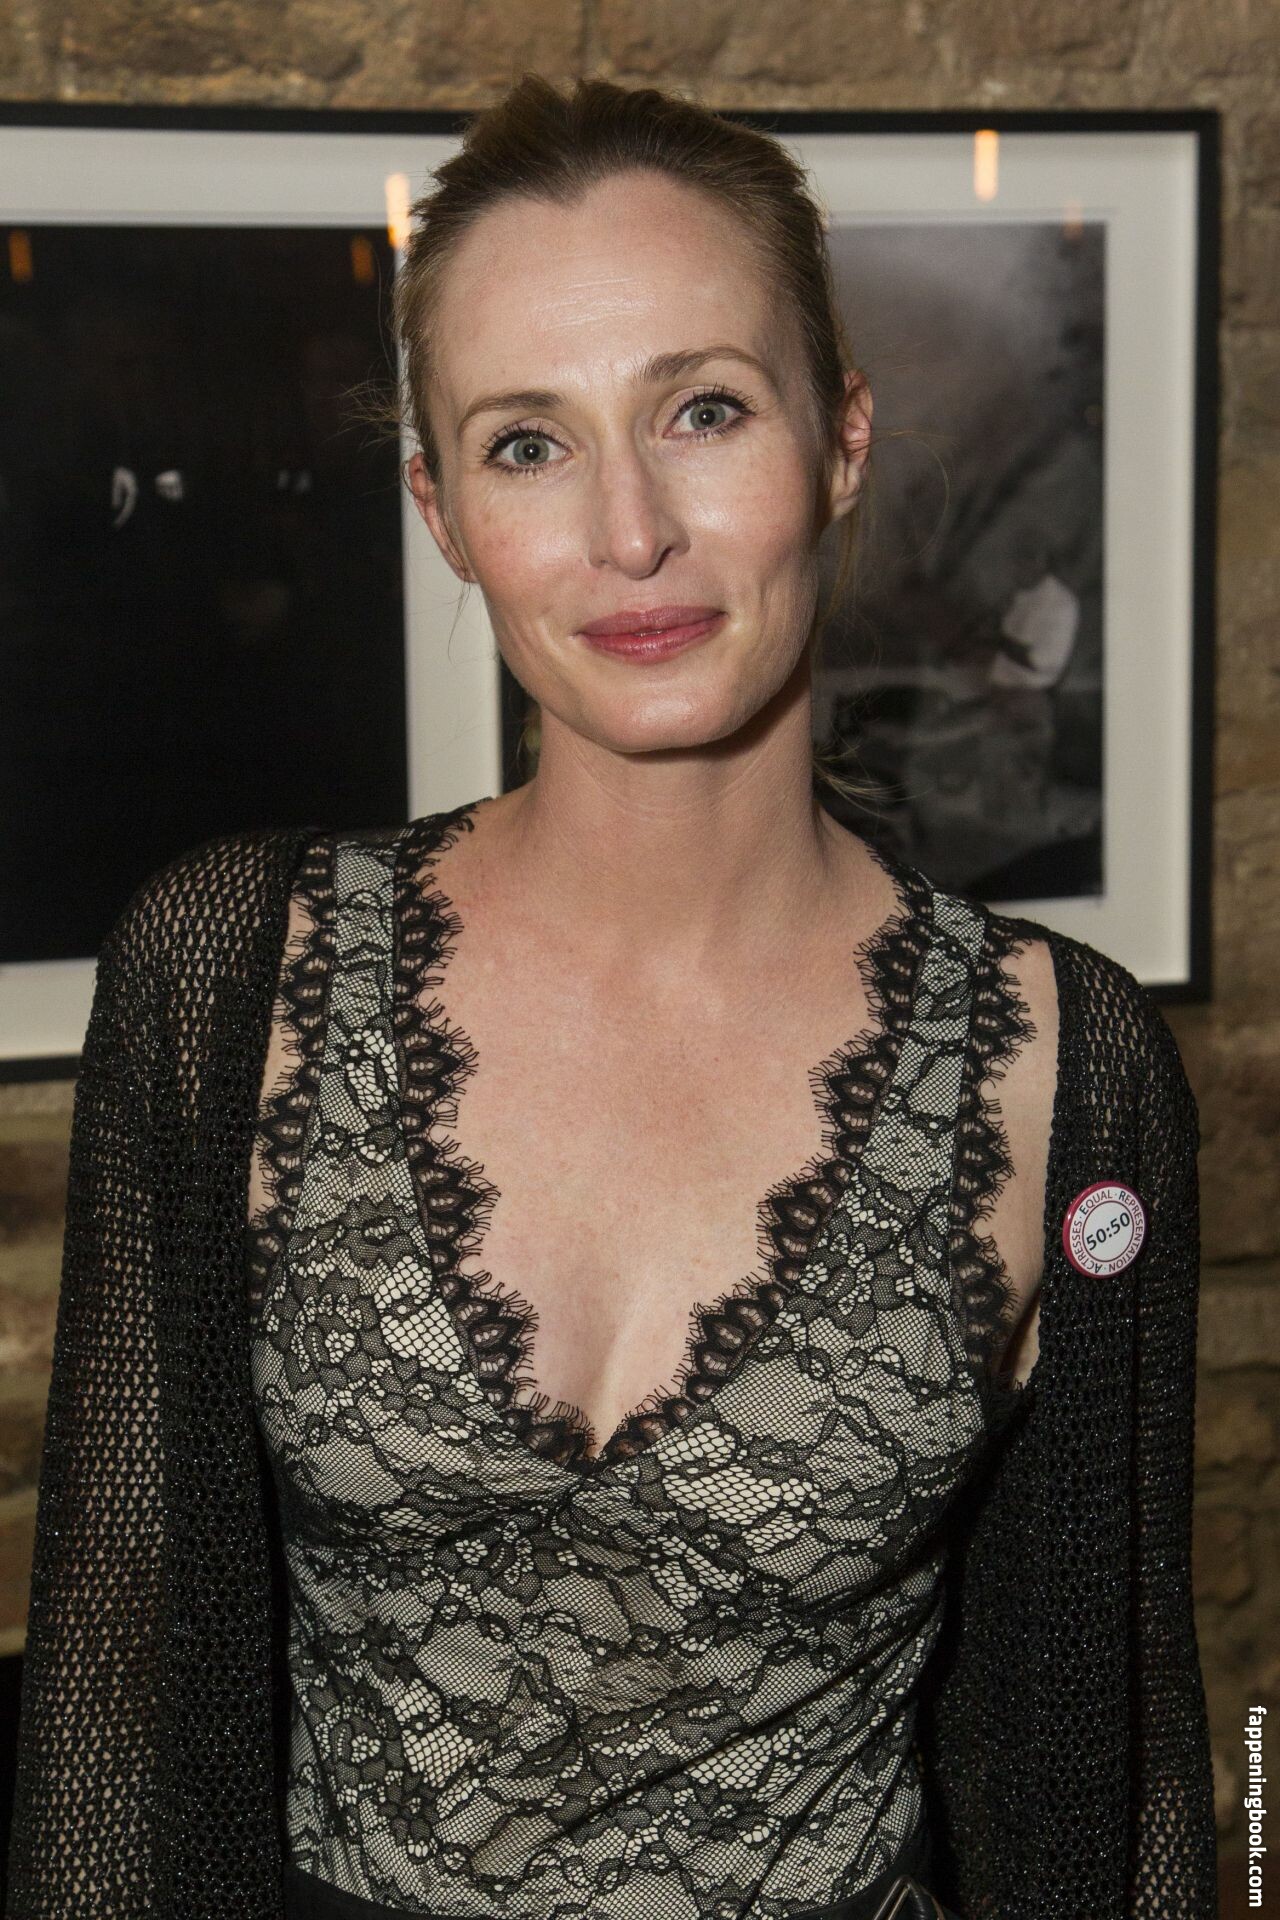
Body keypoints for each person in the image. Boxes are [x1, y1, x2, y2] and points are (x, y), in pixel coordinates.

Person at [6, 74, 1216, 1920]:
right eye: (528, 444)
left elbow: (1114, 1746)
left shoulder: (1068, 1063)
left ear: (842, 439)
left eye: (703, 410)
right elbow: (114, 1674)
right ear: (438, 509)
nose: (629, 531)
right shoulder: (233, 974)